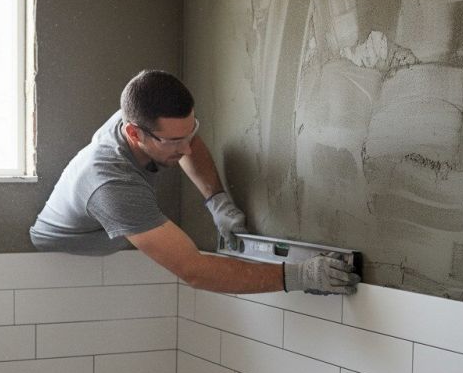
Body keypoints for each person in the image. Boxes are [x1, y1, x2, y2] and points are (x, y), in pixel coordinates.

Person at [30, 70, 359, 296]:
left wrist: (218, 201)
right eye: (174, 142)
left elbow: (186, 140)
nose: (187, 149)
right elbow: (194, 270)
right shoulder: (112, 187)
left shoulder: (141, 110)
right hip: (67, 251)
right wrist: (300, 276)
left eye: (190, 133)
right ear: (134, 133)